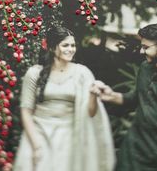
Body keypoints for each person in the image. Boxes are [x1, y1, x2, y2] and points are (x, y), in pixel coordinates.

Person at [13, 26, 115, 171]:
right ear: (52, 47)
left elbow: (91, 113)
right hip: (37, 134)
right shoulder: (34, 73)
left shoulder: (82, 73)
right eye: (65, 45)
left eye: (73, 45)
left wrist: (93, 95)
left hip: (69, 138)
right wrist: (36, 146)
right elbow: (26, 110)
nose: (71, 49)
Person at [96, 23, 157, 171]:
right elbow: (135, 98)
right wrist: (111, 95)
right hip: (133, 150)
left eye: (146, 47)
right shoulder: (146, 68)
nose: (141, 51)